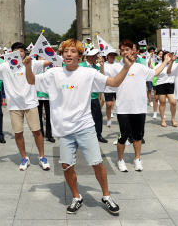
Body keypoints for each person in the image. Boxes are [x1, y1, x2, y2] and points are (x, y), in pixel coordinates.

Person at [25, 38, 136, 215]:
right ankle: (77, 197)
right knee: (66, 166)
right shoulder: (54, 73)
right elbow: (31, 81)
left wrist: (127, 67)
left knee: (97, 163)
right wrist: (28, 66)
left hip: (85, 126)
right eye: (66, 51)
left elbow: (114, 82)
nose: (68, 54)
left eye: (73, 51)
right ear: (61, 55)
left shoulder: (88, 73)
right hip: (64, 129)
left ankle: (106, 196)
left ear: (80, 55)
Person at [0, 42, 51, 170]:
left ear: (24, 52)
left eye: (21, 50)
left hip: (30, 102)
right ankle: (24, 158)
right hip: (14, 105)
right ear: (11, 52)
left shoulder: (31, 63)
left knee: (37, 131)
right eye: (16, 50)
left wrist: (46, 49)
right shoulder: (6, 66)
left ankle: (42, 156)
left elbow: (51, 61)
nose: (19, 53)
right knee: (18, 133)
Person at [109, 40, 170, 172]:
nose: (125, 52)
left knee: (138, 136)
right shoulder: (115, 67)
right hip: (123, 108)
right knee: (122, 136)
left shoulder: (140, 68)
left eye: (127, 49)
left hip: (139, 107)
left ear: (133, 51)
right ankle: (120, 160)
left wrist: (165, 62)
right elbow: (106, 79)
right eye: (122, 50)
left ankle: (137, 159)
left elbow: (154, 73)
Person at [79, 49, 107, 143]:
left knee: (98, 115)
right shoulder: (81, 66)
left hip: (94, 95)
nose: (96, 58)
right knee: (82, 116)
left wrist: (102, 66)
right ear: (89, 57)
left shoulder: (97, 67)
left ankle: (98, 134)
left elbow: (102, 78)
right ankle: (82, 135)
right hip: (83, 96)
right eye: (95, 56)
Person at [155, 51, 177, 127]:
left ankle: (173, 118)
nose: (167, 57)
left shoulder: (173, 65)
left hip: (170, 84)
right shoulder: (159, 65)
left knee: (173, 102)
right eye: (166, 56)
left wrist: (171, 62)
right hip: (161, 85)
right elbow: (155, 74)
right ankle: (162, 119)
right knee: (162, 102)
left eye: (169, 55)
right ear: (163, 57)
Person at [102, 50, 119, 128]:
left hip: (117, 88)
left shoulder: (118, 65)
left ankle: (120, 119)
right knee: (108, 105)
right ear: (107, 56)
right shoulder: (104, 65)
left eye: (113, 55)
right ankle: (109, 119)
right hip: (107, 88)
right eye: (110, 55)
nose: (112, 56)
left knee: (119, 105)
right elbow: (101, 75)